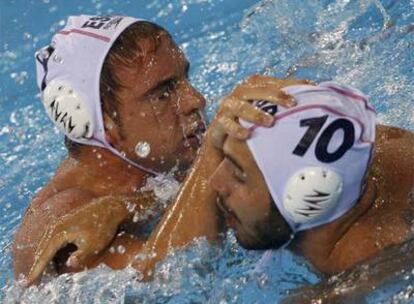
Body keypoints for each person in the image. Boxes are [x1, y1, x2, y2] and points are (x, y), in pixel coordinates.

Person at [21, 77, 414, 303]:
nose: (212, 183)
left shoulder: (365, 267)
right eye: (220, 157)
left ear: (307, 196)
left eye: (237, 173)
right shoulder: (355, 159)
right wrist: (128, 203)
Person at [12, 15, 299, 286]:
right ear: (104, 122)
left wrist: (126, 207)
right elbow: (175, 275)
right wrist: (211, 157)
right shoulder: (61, 221)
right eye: (163, 93)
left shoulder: (157, 162)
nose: (195, 100)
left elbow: (173, 192)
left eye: (185, 79)